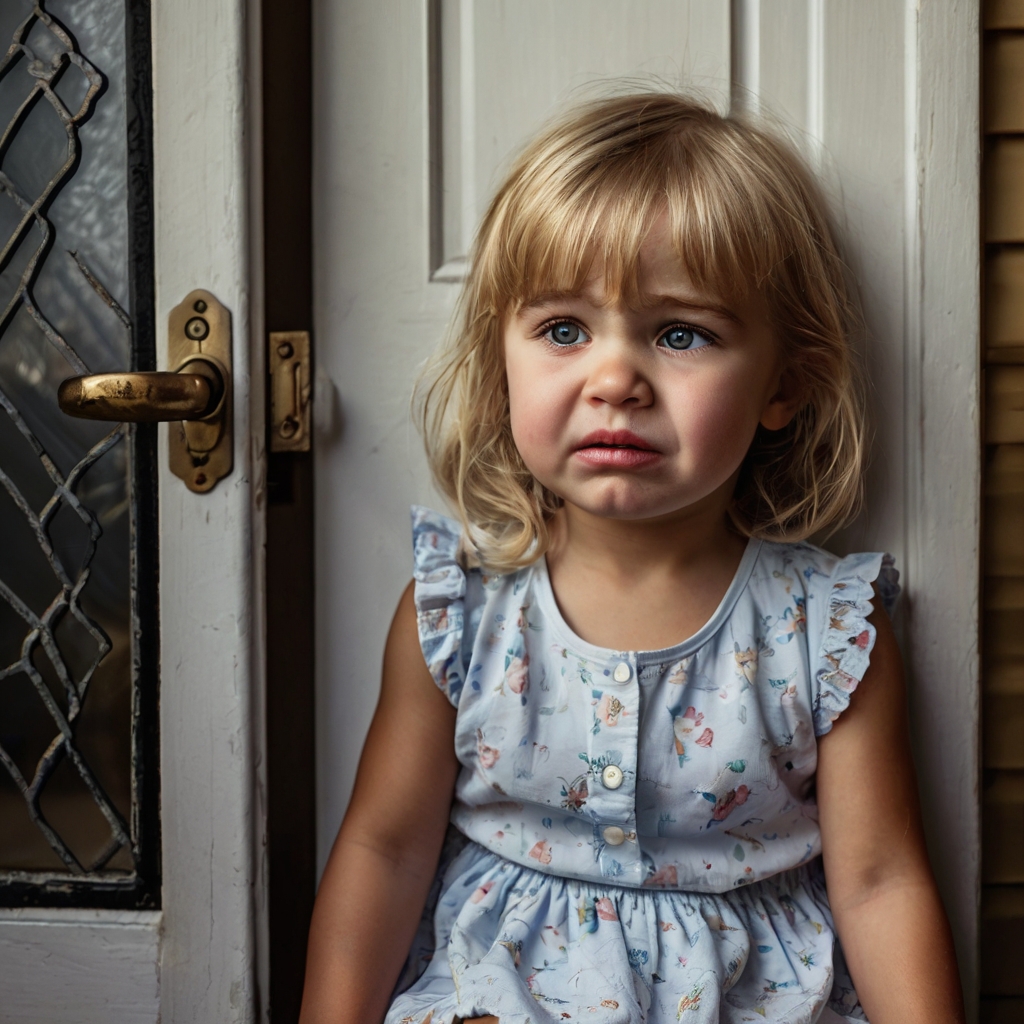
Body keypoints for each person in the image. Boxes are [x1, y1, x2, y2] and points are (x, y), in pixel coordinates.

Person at [299, 93, 965, 1024]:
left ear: (787, 382)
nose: (615, 381)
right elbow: (384, 852)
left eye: (680, 334)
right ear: (502, 361)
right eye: (564, 331)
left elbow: (882, 883)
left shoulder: (828, 635)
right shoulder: (460, 615)